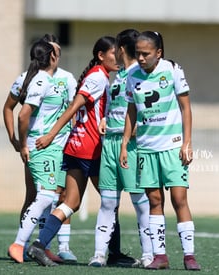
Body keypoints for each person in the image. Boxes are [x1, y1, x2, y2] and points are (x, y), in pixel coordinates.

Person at [25, 35, 131, 267]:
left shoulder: (100, 76)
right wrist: (52, 134)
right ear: (101, 56)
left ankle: (39, 245)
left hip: (76, 146)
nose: (119, 57)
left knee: (70, 203)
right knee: (110, 200)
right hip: (89, 149)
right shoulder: (98, 78)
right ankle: (113, 253)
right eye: (114, 53)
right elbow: (75, 106)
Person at [119, 31, 201, 271]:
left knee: (179, 199)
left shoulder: (172, 70)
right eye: (138, 54)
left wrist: (187, 142)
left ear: (158, 53)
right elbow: (131, 111)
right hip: (146, 148)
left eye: (146, 54)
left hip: (172, 146)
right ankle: (160, 256)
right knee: (154, 200)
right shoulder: (131, 75)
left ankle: (189, 255)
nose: (141, 58)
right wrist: (125, 143)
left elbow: (186, 108)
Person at [4, 34, 77, 264]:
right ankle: (21, 244)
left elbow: (71, 111)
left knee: (52, 197)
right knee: (41, 196)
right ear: (52, 56)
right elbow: (18, 112)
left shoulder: (64, 78)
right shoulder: (36, 80)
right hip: (41, 146)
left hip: (57, 146)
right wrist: (18, 141)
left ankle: (41, 245)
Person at [88, 29, 153, 268]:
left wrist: (134, 131)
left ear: (121, 49)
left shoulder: (140, 75)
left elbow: (145, 109)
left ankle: (148, 254)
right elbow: (115, 106)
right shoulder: (119, 76)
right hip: (110, 144)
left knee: (140, 201)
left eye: (115, 50)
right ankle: (98, 254)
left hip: (132, 146)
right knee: (107, 202)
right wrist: (105, 119)